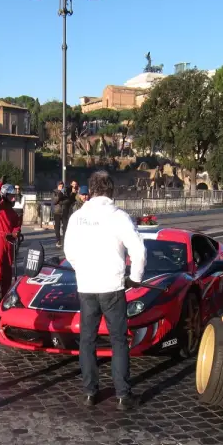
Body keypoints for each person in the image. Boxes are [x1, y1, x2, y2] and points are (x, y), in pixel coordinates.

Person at [64, 171, 146, 410]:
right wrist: (136, 278)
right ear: (110, 190)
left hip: (87, 285)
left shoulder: (78, 217)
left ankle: (90, 392)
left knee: (87, 341)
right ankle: (123, 395)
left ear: (90, 190)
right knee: (118, 340)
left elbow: (69, 251)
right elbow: (138, 251)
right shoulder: (119, 216)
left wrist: (82, 269)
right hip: (112, 285)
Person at [0, 177, 22, 305]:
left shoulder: (12, 212)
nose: (13, 199)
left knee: (8, 269)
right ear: (5, 195)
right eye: (11, 196)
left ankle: (6, 293)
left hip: (9, 241)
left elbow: (16, 225)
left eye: (14, 196)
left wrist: (16, 232)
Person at [52, 181, 68, 248]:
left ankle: (65, 240)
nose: (61, 187)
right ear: (57, 186)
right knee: (57, 227)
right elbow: (54, 201)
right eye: (60, 186)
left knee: (65, 227)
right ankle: (58, 240)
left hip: (64, 211)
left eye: (62, 186)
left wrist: (62, 202)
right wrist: (59, 195)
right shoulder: (54, 192)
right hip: (57, 212)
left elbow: (67, 200)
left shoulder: (65, 192)